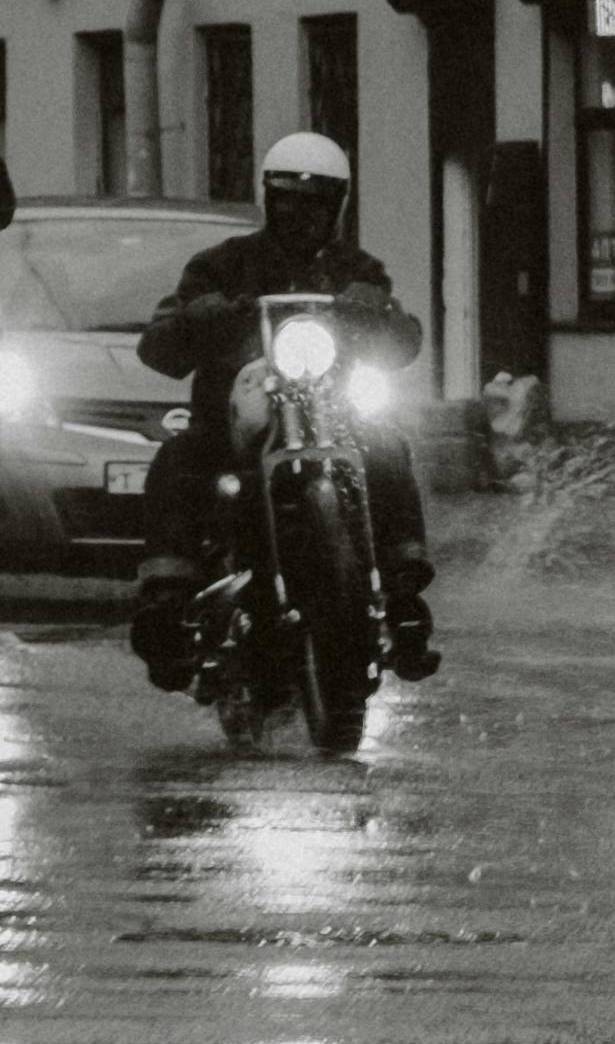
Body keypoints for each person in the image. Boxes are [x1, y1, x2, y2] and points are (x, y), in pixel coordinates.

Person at [130, 127, 437, 687]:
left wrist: (377, 314)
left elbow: (404, 339)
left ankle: (404, 598)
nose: (302, 214)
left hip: (333, 415)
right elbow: (160, 344)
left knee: (387, 447)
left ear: (337, 205)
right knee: (179, 459)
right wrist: (204, 316)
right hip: (237, 423)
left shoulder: (357, 271)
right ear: (269, 199)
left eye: (315, 202)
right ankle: (166, 604)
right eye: (289, 200)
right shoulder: (221, 264)